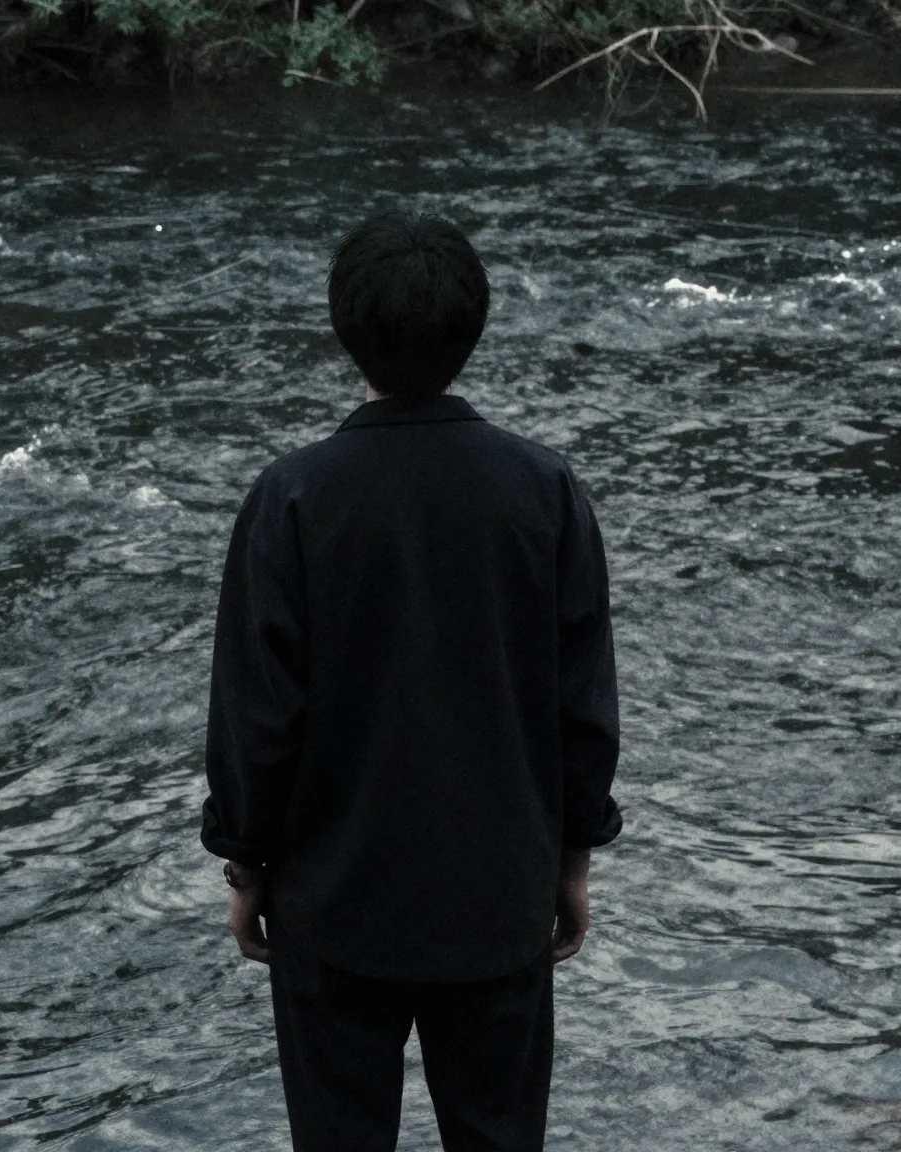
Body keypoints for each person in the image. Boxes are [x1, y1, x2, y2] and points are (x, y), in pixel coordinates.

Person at [200, 208, 622, 1152]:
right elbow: (583, 707)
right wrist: (573, 861)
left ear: (345, 328)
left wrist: (246, 865)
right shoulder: (544, 490)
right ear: (475, 328)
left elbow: (256, 717)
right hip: (498, 900)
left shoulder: (291, 497)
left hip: (334, 908)